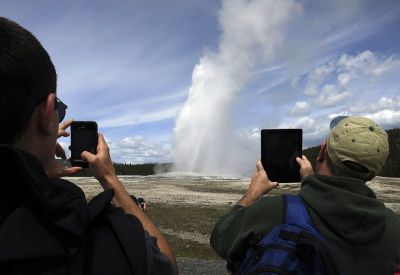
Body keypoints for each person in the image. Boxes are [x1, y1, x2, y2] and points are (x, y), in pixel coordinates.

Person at [0, 17, 176, 274]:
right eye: (58, 111)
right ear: (48, 113)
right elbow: (167, 264)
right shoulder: (91, 239)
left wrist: (31, 174)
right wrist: (110, 179)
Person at [210, 116, 400, 274]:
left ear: (323, 150)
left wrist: (253, 193)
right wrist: (311, 183)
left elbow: (220, 236)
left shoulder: (274, 212)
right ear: (374, 172)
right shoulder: (394, 228)